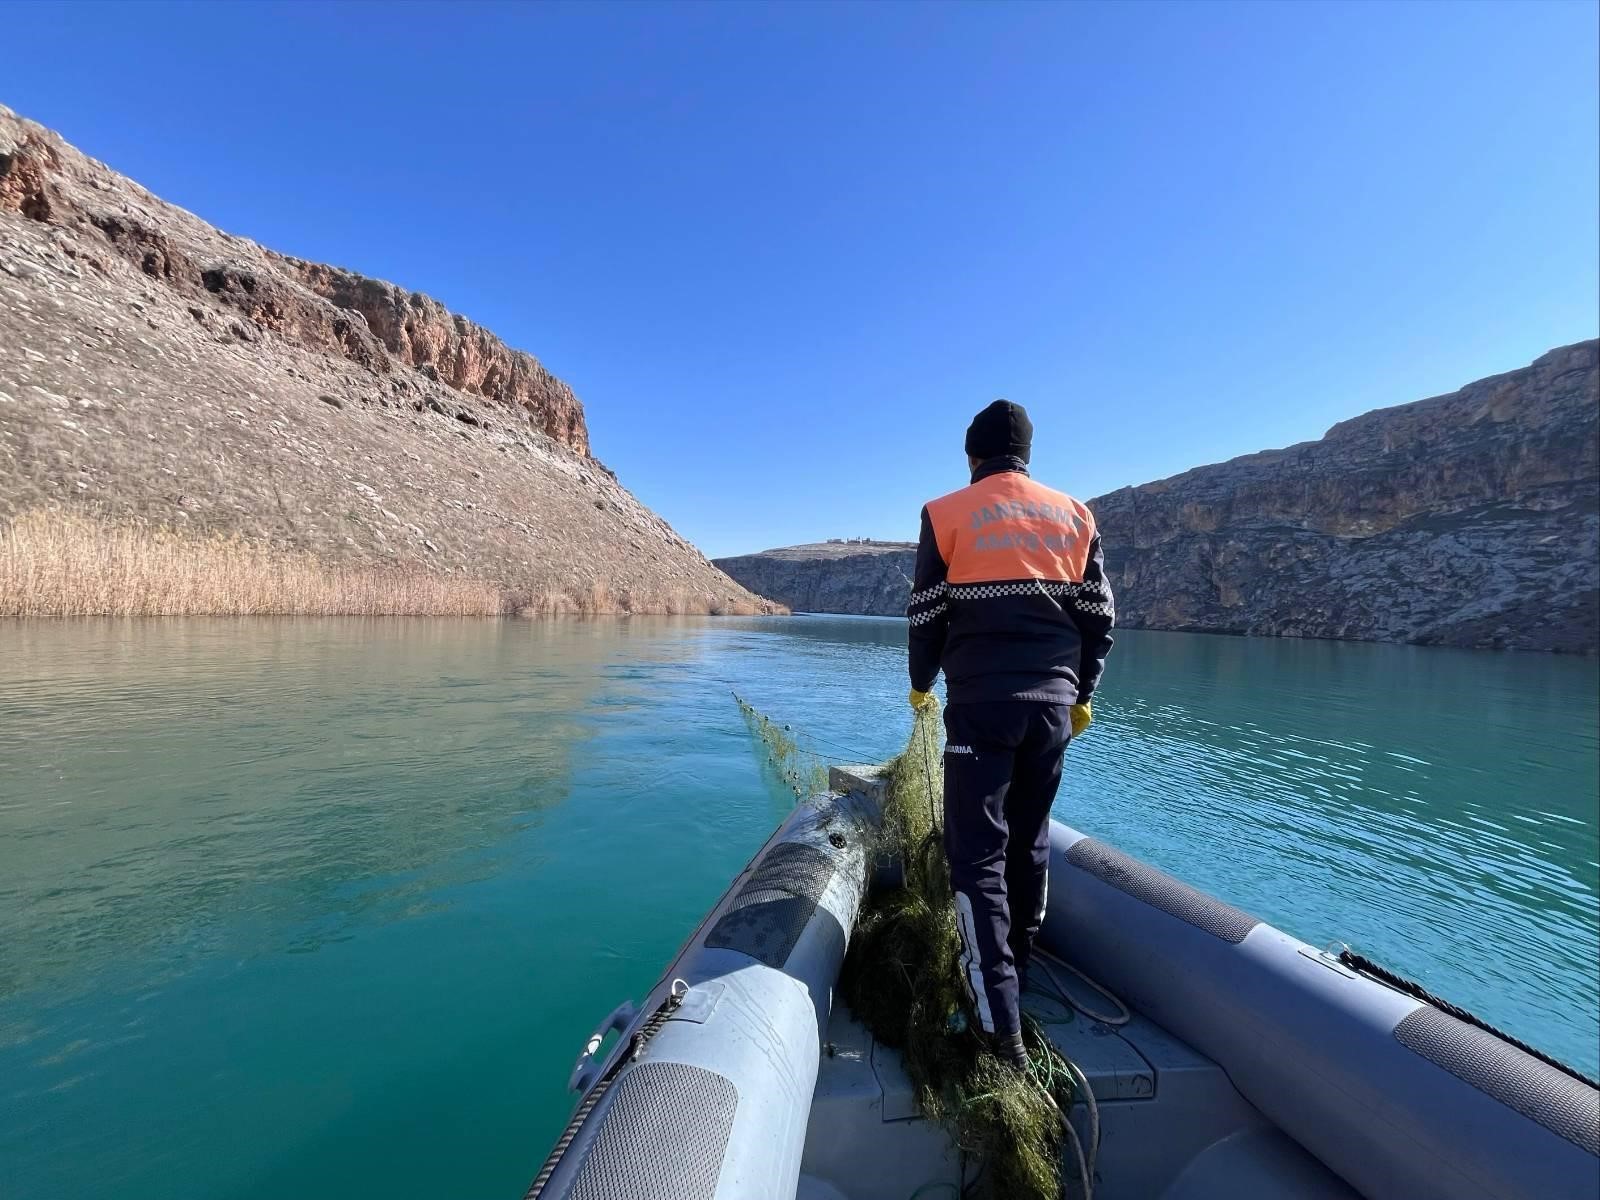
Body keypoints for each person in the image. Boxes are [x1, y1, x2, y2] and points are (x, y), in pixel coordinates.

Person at [905, 399, 1115, 1068]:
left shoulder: (946, 513)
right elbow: (1099, 617)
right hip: (1052, 709)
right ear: (1027, 454)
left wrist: (921, 683)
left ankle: (999, 1027)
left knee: (976, 857)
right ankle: (1014, 979)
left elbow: (927, 612)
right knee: (1028, 843)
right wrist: (1082, 696)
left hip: (982, 707)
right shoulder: (1076, 516)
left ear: (973, 456)